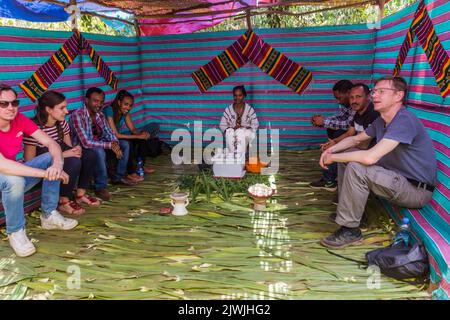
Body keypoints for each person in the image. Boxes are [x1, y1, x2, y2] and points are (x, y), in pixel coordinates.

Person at [319, 76, 437, 249]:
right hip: (396, 179)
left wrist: (334, 158)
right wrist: (332, 150)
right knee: (349, 155)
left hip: (415, 190)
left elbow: (369, 158)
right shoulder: (382, 121)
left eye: (381, 92)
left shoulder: (404, 120)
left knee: (357, 166)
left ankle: (350, 230)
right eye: (374, 91)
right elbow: (356, 140)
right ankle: (352, 212)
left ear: (398, 96)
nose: (374, 96)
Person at [0, 84, 78, 257]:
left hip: (13, 178)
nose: (10, 108)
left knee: (51, 158)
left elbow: (52, 144)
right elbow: (4, 165)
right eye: (3, 104)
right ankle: (15, 232)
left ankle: (49, 215)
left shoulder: (18, 119)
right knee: (14, 180)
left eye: (14, 103)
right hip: (6, 178)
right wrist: (47, 173)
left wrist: (57, 165)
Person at [23, 91, 100, 215]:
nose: (67, 111)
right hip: (43, 170)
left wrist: (76, 150)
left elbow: (68, 147)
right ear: (48, 109)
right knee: (73, 162)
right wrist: (66, 155)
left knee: (90, 155)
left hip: (60, 161)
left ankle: (80, 194)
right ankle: (63, 201)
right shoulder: (34, 129)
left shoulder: (62, 123)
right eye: (62, 108)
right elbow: (30, 161)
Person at [70, 87, 132, 202]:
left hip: (99, 144)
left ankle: (118, 177)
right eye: (95, 101)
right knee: (98, 151)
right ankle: (100, 187)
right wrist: (109, 145)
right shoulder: (77, 115)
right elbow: (86, 142)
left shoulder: (100, 115)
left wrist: (114, 143)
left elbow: (109, 132)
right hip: (82, 149)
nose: (99, 104)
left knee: (124, 144)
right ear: (87, 100)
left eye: (101, 102)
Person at [103, 90, 159, 182]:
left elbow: (133, 129)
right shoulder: (109, 110)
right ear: (119, 102)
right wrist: (137, 136)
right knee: (127, 143)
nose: (128, 107)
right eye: (126, 104)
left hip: (118, 136)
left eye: (130, 105)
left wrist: (142, 134)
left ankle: (141, 166)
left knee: (148, 132)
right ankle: (130, 172)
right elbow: (115, 135)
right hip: (108, 139)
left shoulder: (125, 112)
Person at [310, 79, 355, 191]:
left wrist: (325, 123)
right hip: (352, 136)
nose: (338, 102)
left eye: (339, 98)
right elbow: (341, 118)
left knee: (335, 140)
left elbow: (349, 127)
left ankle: (330, 181)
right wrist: (323, 121)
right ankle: (329, 176)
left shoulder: (356, 104)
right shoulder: (347, 105)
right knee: (333, 133)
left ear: (349, 92)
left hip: (358, 140)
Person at [219, 85, 259, 155]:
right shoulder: (228, 110)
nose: (237, 98)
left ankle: (241, 156)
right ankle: (233, 155)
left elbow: (255, 124)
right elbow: (222, 125)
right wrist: (232, 128)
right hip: (233, 133)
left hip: (245, 133)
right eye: (235, 95)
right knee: (229, 132)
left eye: (240, 95)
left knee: (242, 133)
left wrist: (242, 128)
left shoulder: (249, 109)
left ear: (244, 96)